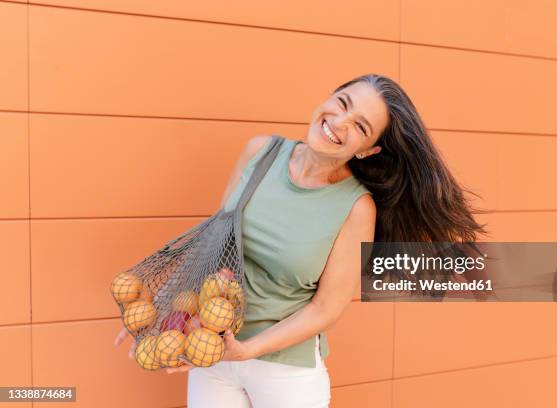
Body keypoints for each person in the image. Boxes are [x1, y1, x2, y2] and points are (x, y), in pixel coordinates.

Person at [114, 73, 486, 407]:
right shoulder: (260, 153)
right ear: (328, 97)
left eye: (360, 126)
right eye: (342, 104)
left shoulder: (357, 208)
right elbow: (218, 248)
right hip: (212, 356)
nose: (339, 122)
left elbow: (326, 308)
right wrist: (169, 319)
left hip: (284, 375)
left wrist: (246, 350)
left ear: (368, 150)